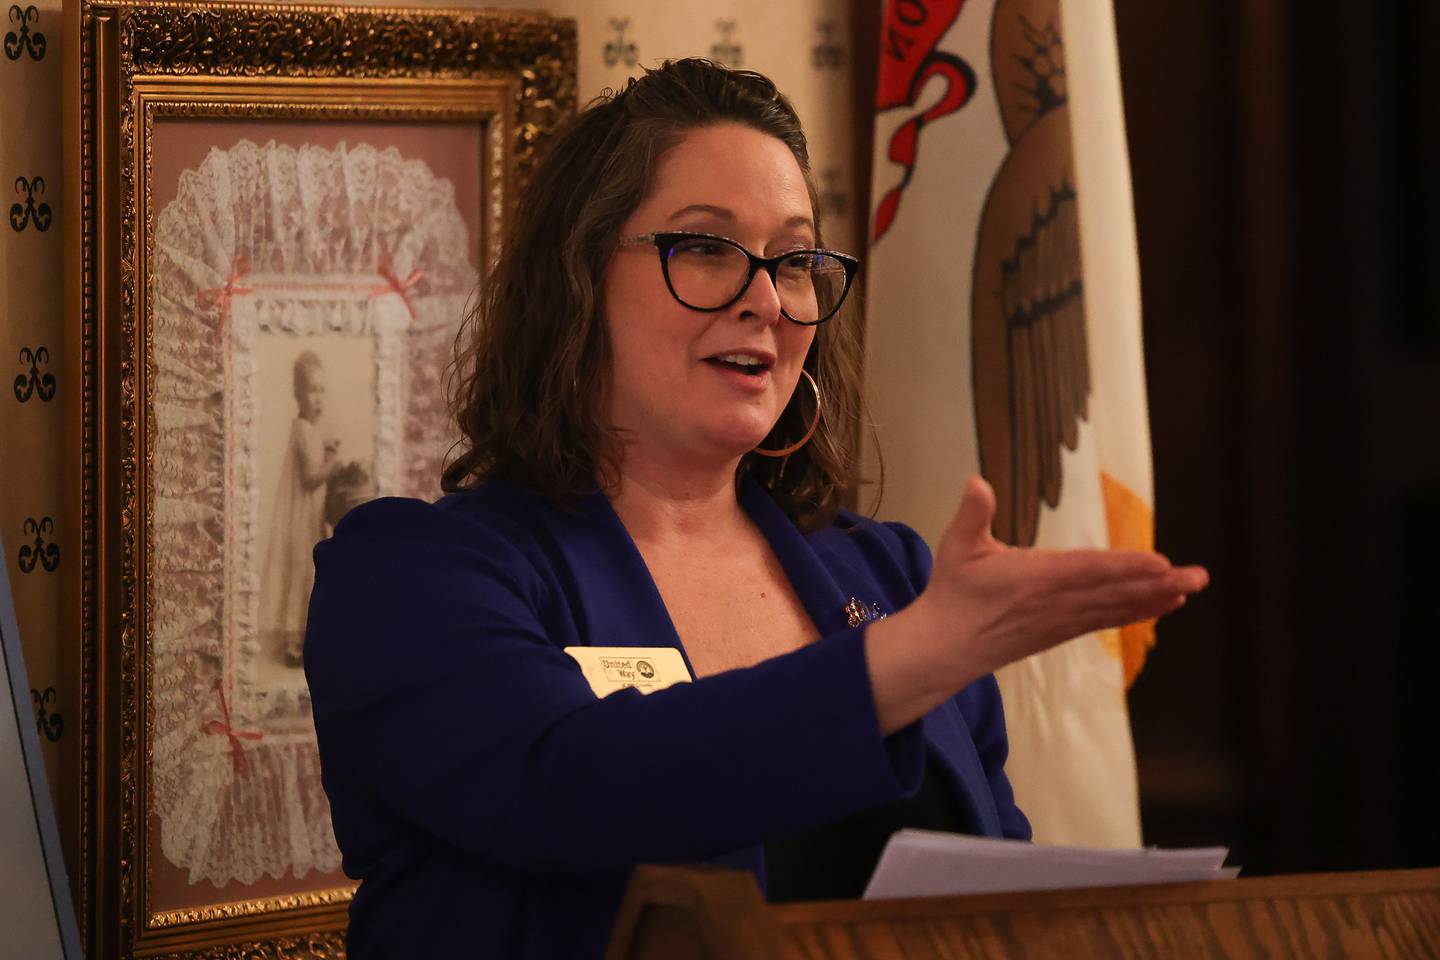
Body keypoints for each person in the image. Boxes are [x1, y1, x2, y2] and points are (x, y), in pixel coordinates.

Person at [303, 59, 1207, 959]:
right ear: (576, 276)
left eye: (797, 260)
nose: (767, 300)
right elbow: (577, 788)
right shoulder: (407, 577)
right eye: (705, 247)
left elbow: (989, 907)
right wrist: (901, 664)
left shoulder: (893, 578)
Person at [262, 349, 342, 668]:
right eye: (312, 391)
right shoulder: (303, 430)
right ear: (298, 393)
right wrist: (333, 460)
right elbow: (311, 477)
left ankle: (302, 640)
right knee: (302, 574)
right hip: (301, 519)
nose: (318, 399)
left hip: (308, 516)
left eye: (322, 391)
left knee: (308, 574)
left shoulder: (307, 430)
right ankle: (294, 645)